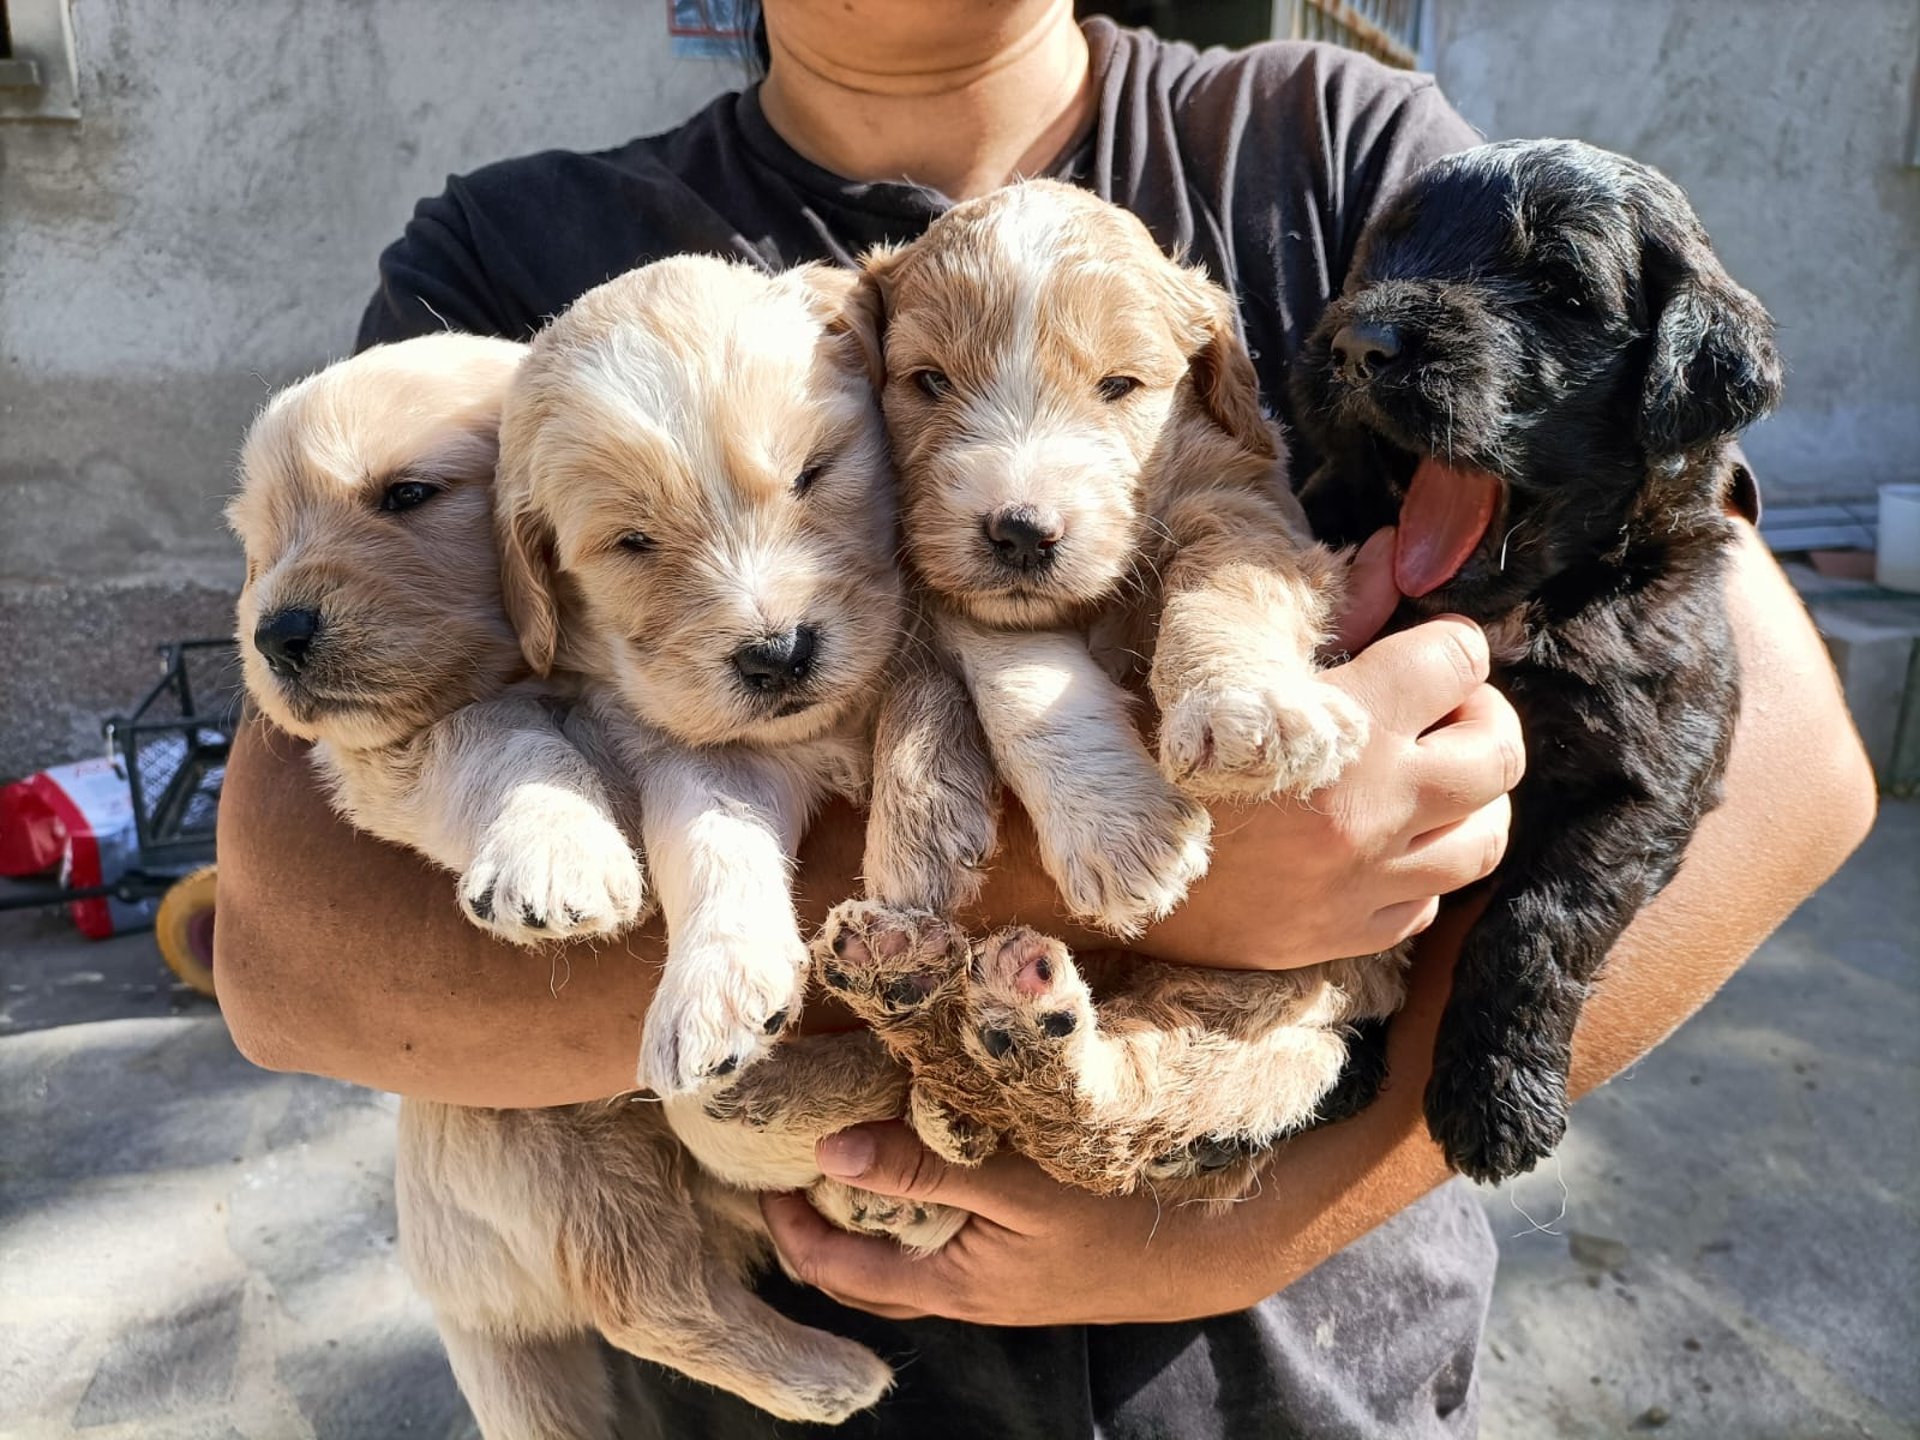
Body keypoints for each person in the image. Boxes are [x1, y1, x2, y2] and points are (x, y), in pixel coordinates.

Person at [211, 4, 1876, 1435]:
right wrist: (1061, 884)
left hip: (1302, 1368)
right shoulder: (515, 261)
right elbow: (294, 953)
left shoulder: (1331, 143)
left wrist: (1264, 1221)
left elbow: (1782, 759)